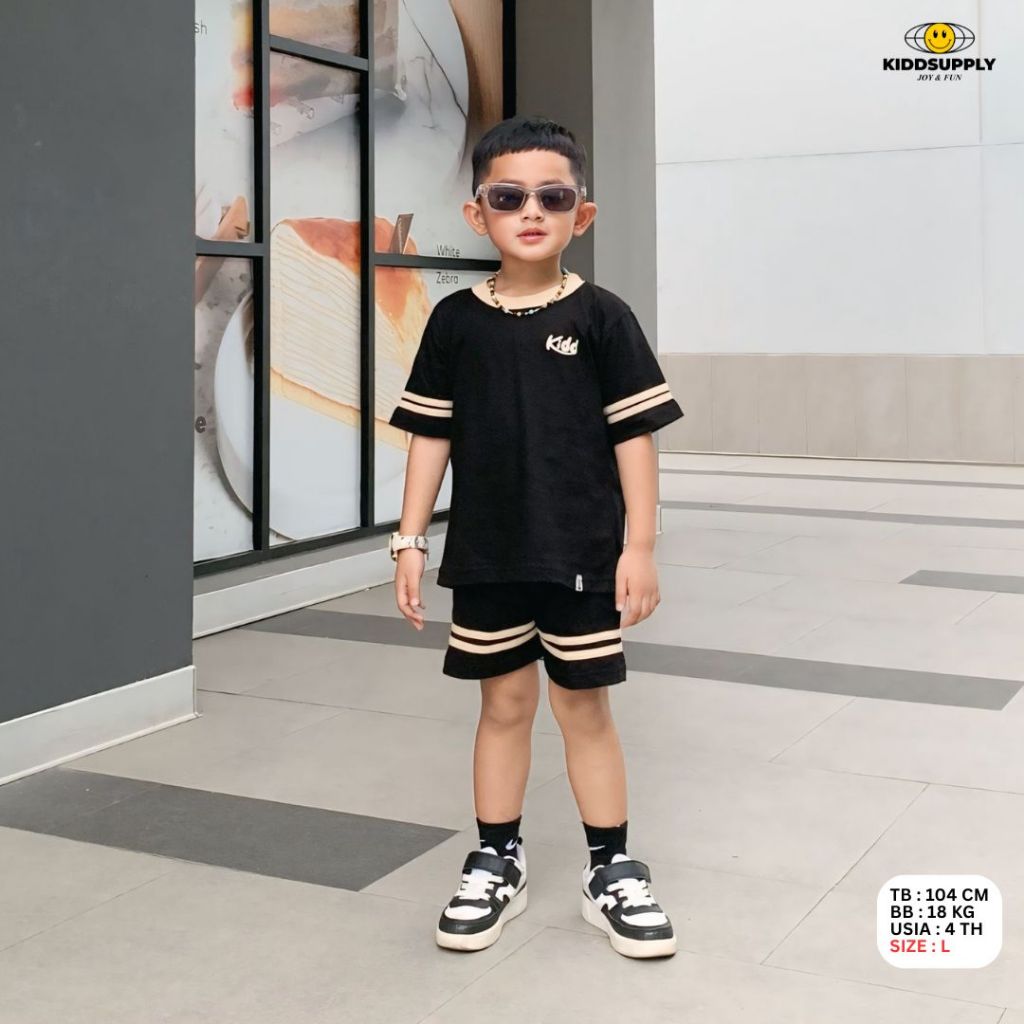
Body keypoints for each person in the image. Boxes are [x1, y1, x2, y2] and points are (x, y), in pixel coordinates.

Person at [387, 114, 684, 959]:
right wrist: (409, 541)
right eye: (508, 196)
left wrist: (639, 547)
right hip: (487, 555)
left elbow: (634, 437)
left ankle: (612, 870)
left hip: (581, 555)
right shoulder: (453, 322)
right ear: (476, 213)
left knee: (583, 707)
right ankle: (497, 860)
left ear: (580, 215)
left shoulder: (603, 317)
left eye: (552, 198)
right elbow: (431, 436)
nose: (530, 212)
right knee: (503, 705)